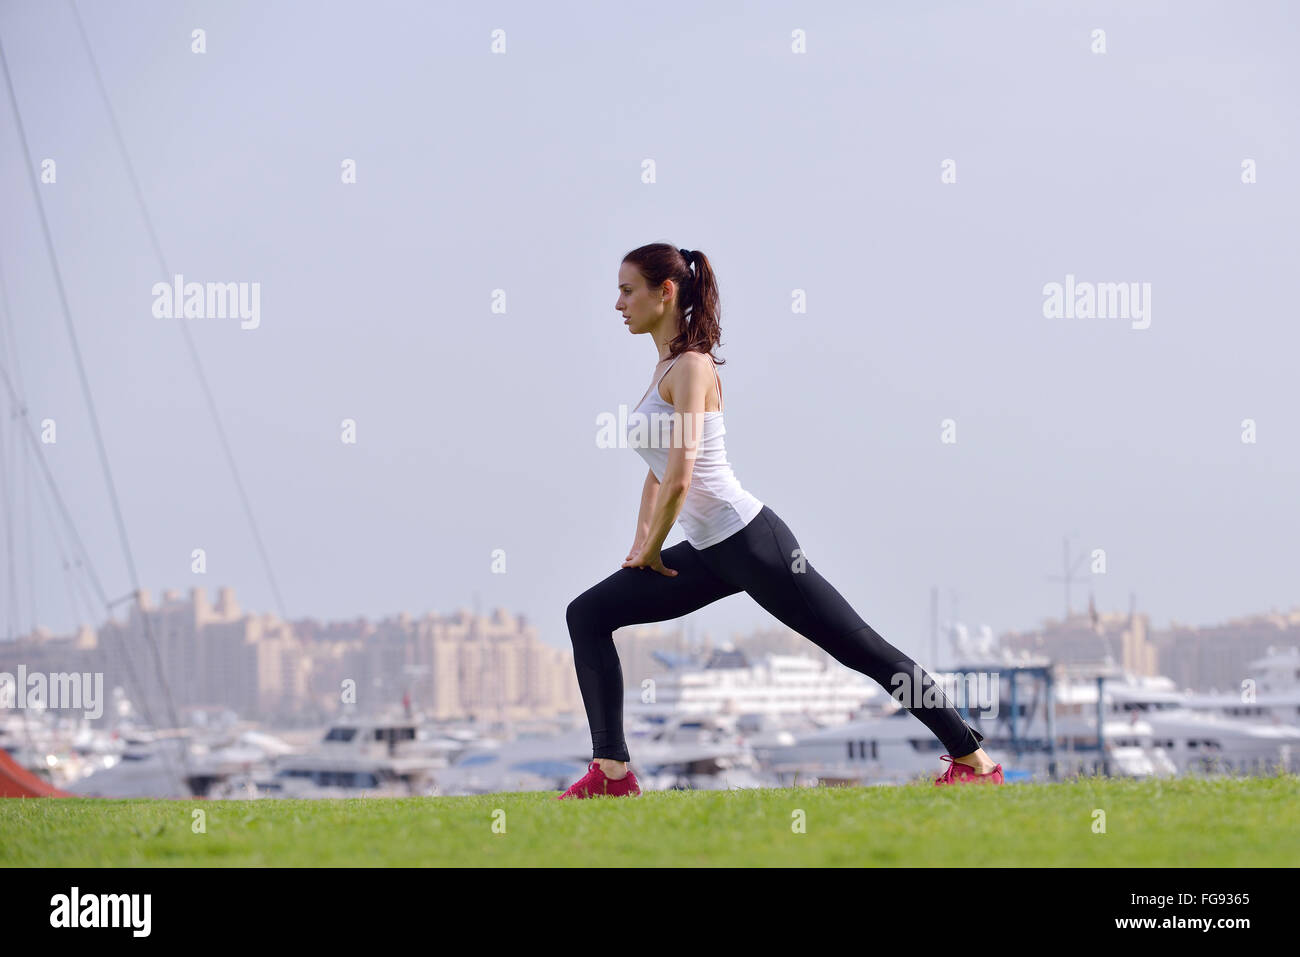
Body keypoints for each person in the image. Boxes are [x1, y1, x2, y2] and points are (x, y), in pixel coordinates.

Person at [557, 243, 1003, 799]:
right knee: (589, 614)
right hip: (708, 551)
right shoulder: (663, 369)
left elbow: (680, 474)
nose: (617, 304)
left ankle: (975, 760)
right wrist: (640, 545)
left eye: (627, 291)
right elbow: (656, 473)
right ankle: (613, 774)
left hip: (752, 543)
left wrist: (653, 547)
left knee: (860, 647)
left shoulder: (692, 367)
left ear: (664, 292)